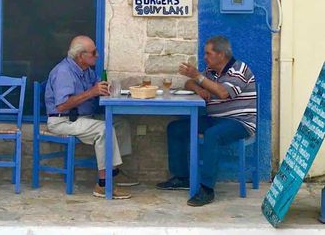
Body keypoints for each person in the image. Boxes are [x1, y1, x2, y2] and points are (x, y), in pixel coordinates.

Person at [156, 35, 257, 206]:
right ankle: (182, 177)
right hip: (215, 119)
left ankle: (207, 189)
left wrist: (199, 77)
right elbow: (189, 84)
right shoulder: (210, 72)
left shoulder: (239, 69)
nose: (205, 57)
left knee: (212, 135)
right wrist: (198, 87)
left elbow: (223, 93)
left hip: (239, 122)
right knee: (175, 128)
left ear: (221, 55)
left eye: (208, 54)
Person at [45, 35, 138, 199]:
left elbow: (97, 87)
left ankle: (114, 172)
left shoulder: (86, 70)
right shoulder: (64, 72)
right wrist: (92, 92)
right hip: (63, 120)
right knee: (104, 129)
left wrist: (105, 88)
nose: (97, 55)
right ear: (81, 56)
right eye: (94, 52)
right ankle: (103, 184)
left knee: (120, 123)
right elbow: (62, 105)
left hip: (84, 117)